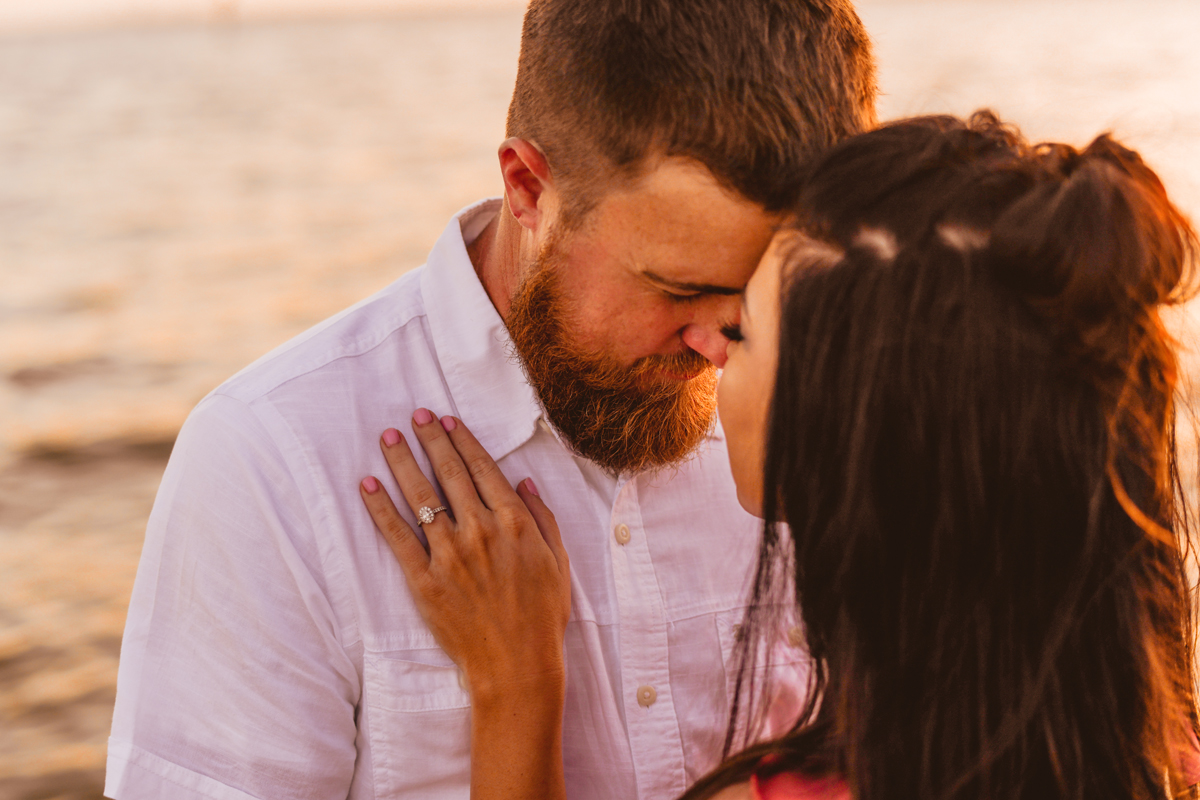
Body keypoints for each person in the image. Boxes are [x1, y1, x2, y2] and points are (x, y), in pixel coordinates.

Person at [105, 1, 877, 798]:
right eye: (680, 289)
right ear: (528, 187)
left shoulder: (823, 426)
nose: (722, 342)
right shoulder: (271, 463)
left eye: (767, 288)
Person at [360, 111, 1200, 800]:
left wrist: (516, 689)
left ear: (844, 430)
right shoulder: (1165, 754)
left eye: (745, 330)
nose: (709, 346)